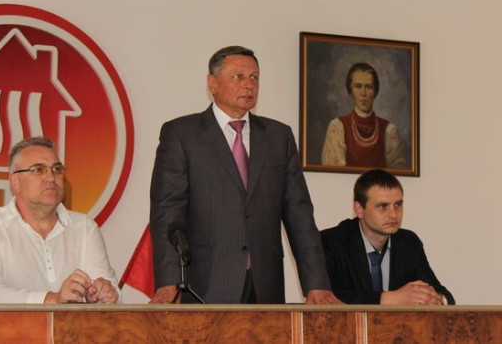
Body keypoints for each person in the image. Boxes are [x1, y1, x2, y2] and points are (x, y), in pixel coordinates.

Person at [149, 45, 340, 304]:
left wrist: (317, 283)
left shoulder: (278, 137)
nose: (249, 84)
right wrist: (169, 281)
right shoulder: (182, 134)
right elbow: (167, 214)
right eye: (238, 76)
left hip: (264, 284)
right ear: (212, 83)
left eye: (254, 77)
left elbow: (299, 214)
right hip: (204, 283)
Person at [0, 137, 120, 304]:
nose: (51, 177)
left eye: (57, 169)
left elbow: (112, 292)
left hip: (74, 322)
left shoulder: (84, 228)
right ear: (15, 181)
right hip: (14, 323)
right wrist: (51, 299)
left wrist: (102, 294)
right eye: (38, 169)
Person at [320, 168, 454, 305]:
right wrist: (390, 298)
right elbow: (325, 298)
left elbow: (441, 294)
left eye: (397, 205)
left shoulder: (409, 243)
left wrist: (439, 300)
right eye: (383, 206)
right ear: (359, 209)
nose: (393, 214)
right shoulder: (331, 242)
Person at [321, 62, 406, 168]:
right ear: (350, 91)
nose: (363, 93)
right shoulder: (337, 127)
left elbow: (397, 173)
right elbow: (333, 173)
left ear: (375, 92)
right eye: (358, 86)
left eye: (369, 87)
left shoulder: (389, 131)